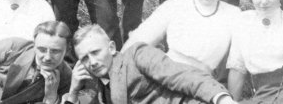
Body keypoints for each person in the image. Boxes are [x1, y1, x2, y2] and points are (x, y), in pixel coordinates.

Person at [122, 0, 240, 75]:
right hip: (167, 77)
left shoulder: (233, 15)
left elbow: (240, 62)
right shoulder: (175, 6)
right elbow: (136, 43)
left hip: (202, 85)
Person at [63, 24, 238, 104]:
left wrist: (222, 99)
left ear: (111, 47)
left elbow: (182, 76)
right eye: (84, 58)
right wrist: (73, 91)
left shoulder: (136, 56)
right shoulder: (99, 88)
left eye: (95, 52)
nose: (92, 62)